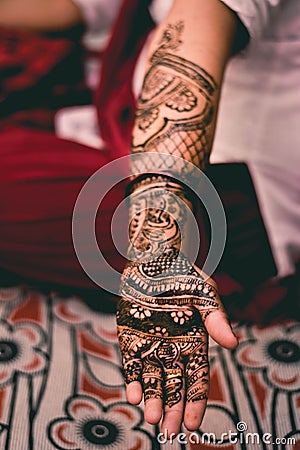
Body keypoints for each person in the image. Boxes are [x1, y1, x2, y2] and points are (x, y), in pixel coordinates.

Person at [0, 0, 299, 439]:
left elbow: (195, 25)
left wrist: (158, 252)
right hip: (121, 119)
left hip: (225, 189)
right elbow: (87, 7)